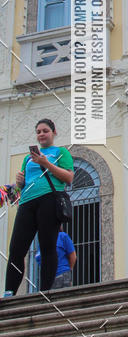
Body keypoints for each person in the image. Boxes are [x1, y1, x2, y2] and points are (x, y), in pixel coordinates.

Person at [2, 118, 74, 299]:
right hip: (27, 202)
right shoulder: (28, 158)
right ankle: (9, 291)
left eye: (45, 131)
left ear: (54, 133)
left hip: (49, 200)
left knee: (48, 246)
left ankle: (45, 291)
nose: (42, 134)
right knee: (16, 249)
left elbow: (69, 177)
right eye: (39, 132)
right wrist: (19, 182)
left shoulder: (61, 152)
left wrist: (46, 163)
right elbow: (21, 187)